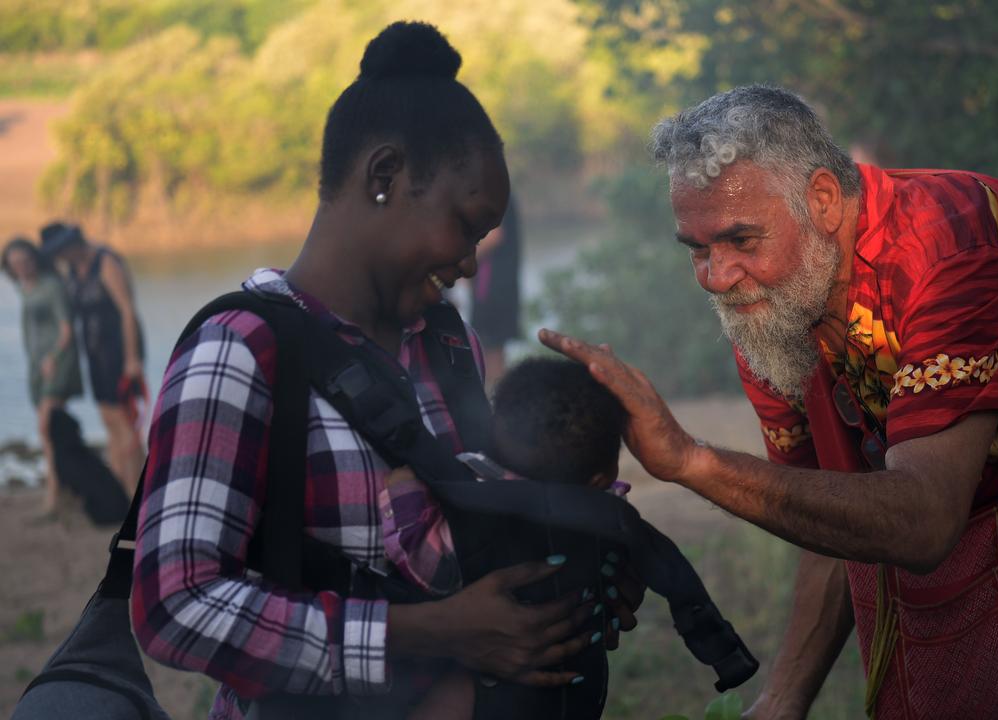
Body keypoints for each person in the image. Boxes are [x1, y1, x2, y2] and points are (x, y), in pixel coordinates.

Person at [540, 85, 998, 718]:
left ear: (823, 200)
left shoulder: (952, 249)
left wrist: (694, 462)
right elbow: (832, 510)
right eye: (695, 249)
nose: (715, 276)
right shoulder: (769, 309)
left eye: (738, 238)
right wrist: (786, 697)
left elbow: (920, 520)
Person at [130, 22, 635, 719]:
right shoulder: (240, 350)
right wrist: (432, 633)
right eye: (466, 226)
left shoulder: (446, 342)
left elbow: (472, 528)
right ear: (384, 176)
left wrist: (573, 563)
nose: (469, 264)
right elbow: (174, 603)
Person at [386, 356, 629, 719]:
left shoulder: (480, 509)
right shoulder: (607, 513)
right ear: (599, 476)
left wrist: (402, 494)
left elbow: (430, 570)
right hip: (581, 679)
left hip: (492, 687)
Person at [39, 221, 146, 493]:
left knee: (126, 423)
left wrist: (132, 358)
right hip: (95, 353)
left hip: (119, 351)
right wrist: (56, 357)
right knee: (109, 419)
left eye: (61, 251)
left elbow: (127, 311)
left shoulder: (105, 261)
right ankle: (123, 491)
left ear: (71, 244)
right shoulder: (73, 271)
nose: (60, 258)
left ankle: (138, 494)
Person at [2, 236, 83, 515]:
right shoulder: (24, 286)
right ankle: (66, 491)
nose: (21, 267)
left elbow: (67, 330)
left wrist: (54, 358)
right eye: (15, 264)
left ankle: (54, 497)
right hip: (37, 366)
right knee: (54, 430)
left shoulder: (51, 286)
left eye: (25, 261)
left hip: (56, 365)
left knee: (47, 427)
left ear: (34, 258)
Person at [469, 193, 522, 384]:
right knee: (490, 350)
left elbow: (495, 235)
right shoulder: (499, 189)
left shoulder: (496, 193)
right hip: (493, 288)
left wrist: (459, 258)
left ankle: (496, 406)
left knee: (491, 353)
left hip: (492, 290)